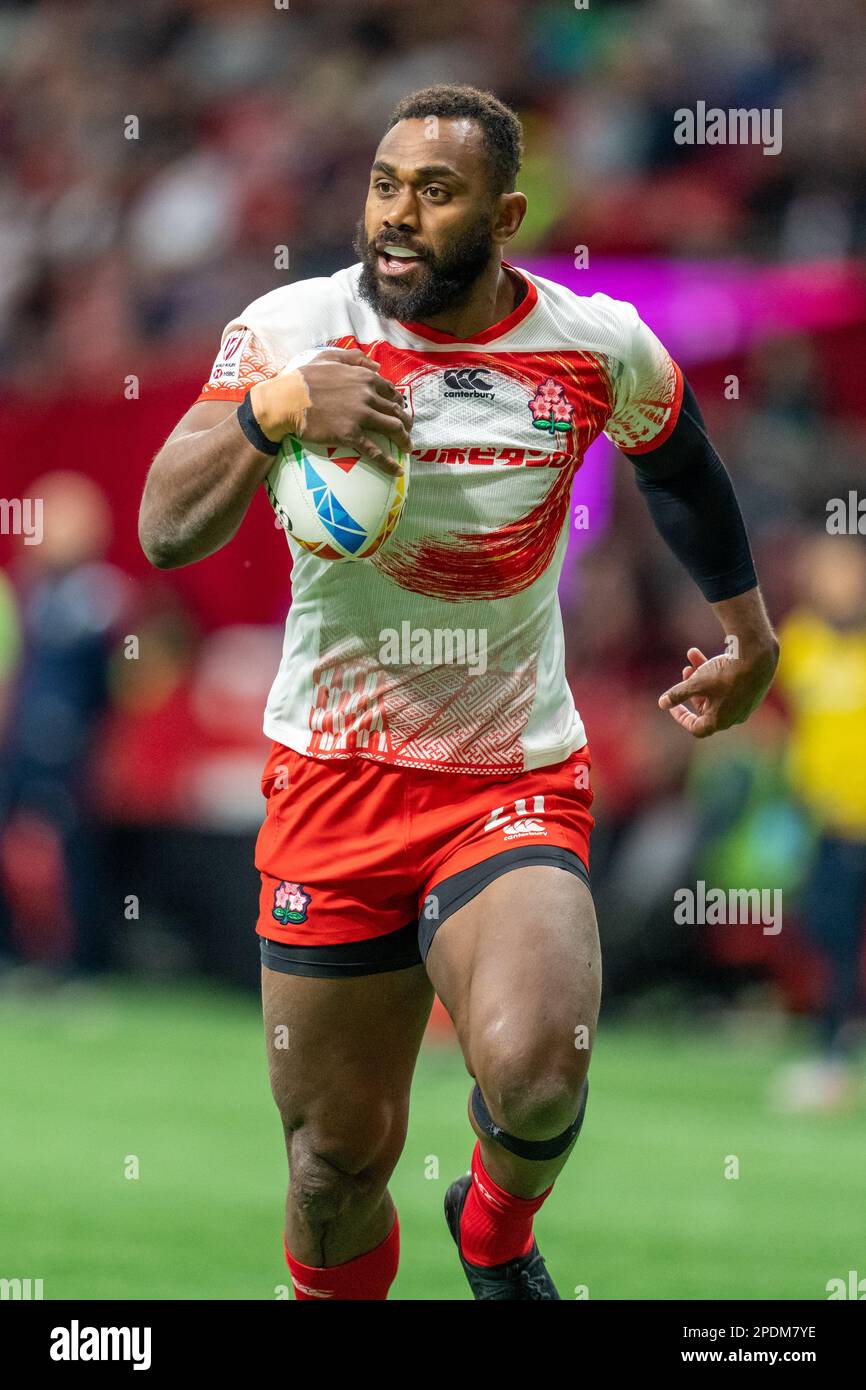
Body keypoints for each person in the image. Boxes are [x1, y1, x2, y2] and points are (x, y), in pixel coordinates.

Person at [139, 84, 778, 1300]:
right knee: (333, 1164)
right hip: (329, 781)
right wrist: (274, 415)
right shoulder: (293, 326)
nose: (397, 214)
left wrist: (745, 635)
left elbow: (680, 458)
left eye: (435, 193)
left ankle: (493, 1232)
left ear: (506, 213)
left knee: (539, 1065)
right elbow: (167, 526)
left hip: (510, 772)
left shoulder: (592, 346)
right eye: (385, 185)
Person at [773, 534, 866, 1111]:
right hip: (830, 828)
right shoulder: (801, 643)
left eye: (847, 571)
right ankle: (831, 1058)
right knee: (831, 940)